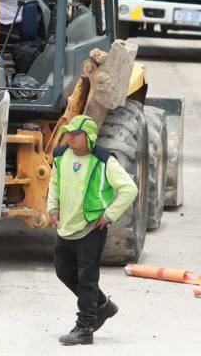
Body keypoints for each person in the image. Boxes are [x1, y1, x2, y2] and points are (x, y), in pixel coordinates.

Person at [48, 114, 138, 346]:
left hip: (90, 229)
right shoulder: (61, 156)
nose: (70, 137)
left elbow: (129, 189)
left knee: (87, 279)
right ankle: (104, 306)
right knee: (63, 271)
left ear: (88, 137)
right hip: (66, 227)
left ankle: (85, 327)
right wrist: (52, 208)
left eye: (75, 134)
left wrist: (109, 215)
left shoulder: (104, 160)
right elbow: (54, 183)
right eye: (68, 133)